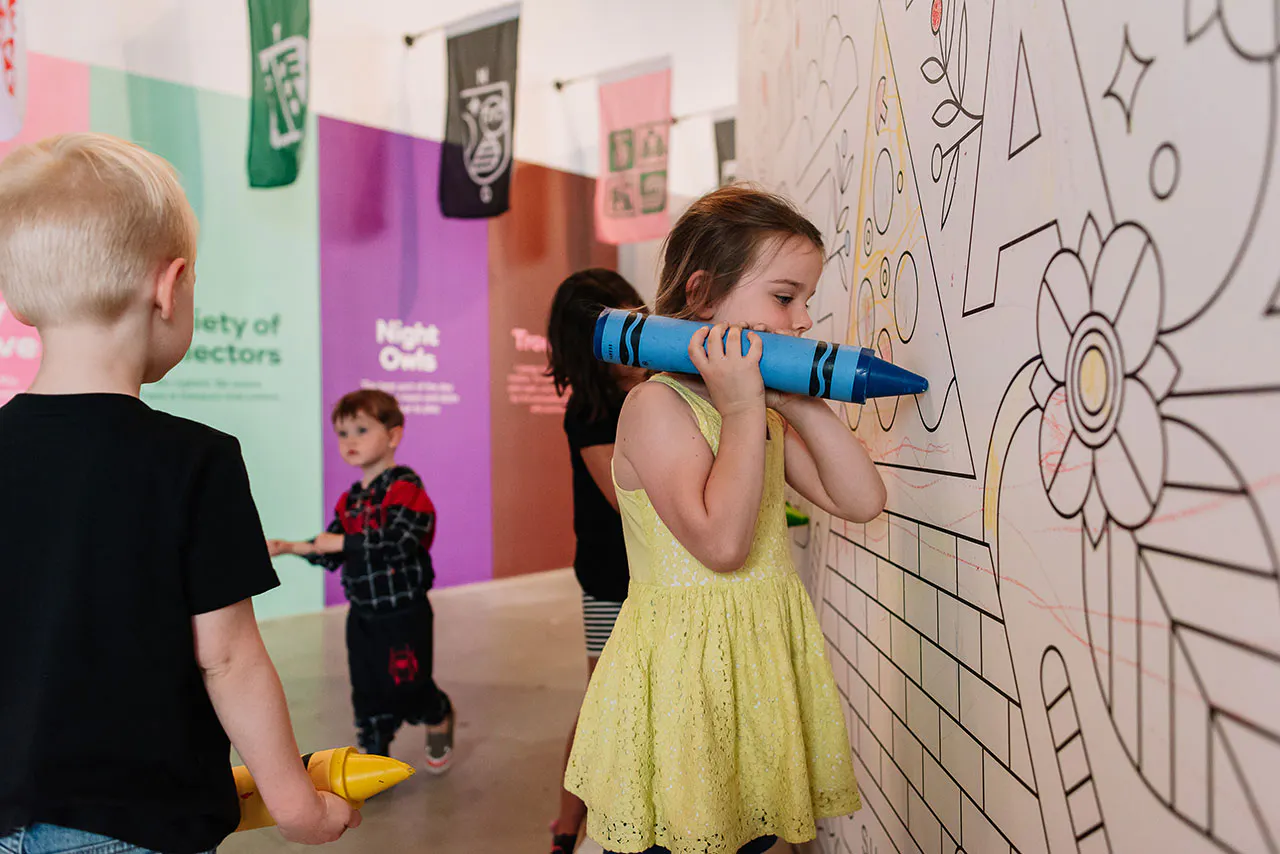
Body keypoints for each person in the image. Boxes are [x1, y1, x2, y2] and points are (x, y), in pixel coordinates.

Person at [0, 132, 358, 854]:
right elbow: (227, 657)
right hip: (133, 827)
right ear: (169, 287)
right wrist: (297, 806)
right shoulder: (196, 460)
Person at [566, 185, 888, 854]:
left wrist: (799, 403)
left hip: (756, 666)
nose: (801, 321)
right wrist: (745, 410)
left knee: (747, 836)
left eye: (806, 301)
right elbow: (720, 542)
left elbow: (861, 500)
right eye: (783, 296)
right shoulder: (657, 409)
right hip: (687, 681)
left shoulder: (763, 413)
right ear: (704, 293)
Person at [268, 390, 455, 773]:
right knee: (367, 690)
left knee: (409, 682)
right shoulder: (349, 500)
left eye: (361, 430)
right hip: (362, 615)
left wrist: (345, 541)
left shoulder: (408, 490)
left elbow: (401, 543)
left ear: (393, 436)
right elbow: (330, 549)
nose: (349, 440)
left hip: (404, 613)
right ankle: (374, 755)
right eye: (342, 433)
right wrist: (290, 547)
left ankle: (438, 715)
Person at [544, 269, 648, 854]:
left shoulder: (651, 388)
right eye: (619, 327)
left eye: (638, 316)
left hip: (657, 579)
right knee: (603, 704)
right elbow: (629, 499)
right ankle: (568, 826)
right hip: (614, 578)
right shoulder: (590, 409)